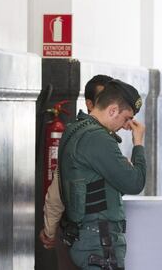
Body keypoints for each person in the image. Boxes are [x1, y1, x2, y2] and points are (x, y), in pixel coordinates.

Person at [59, 79, 146, 269]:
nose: (126, 126)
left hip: (87, 237)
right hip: (99, 241)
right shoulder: (97, 138)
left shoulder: (75, 128)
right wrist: (138, 143)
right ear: (113, 110)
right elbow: (135, 183)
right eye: (126, 118)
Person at [39, 75, 114, 269]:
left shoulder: (100, 138)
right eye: (104, 100)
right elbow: (58, 188)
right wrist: (50, 229)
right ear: (90, 104)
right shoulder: (82, 139)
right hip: (77, 236)